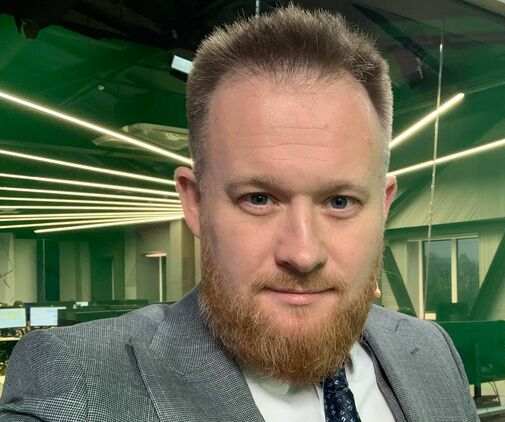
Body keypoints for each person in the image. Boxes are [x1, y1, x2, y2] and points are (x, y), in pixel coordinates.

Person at [0, 6, 477, 421]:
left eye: (340, 202)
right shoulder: (79, 381)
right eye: (259, 199)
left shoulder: (432, 353)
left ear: (384, 207)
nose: (303, 253)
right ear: (195, 202)